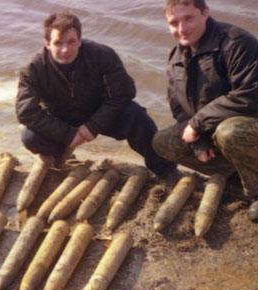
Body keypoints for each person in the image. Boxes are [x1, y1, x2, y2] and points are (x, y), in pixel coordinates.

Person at [152, 0, 258, 221]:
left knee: (230, 132)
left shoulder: (237, 42)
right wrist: (199, 140)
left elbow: (252, 98)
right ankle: (235, 175)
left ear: (205, 13)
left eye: (188, 18)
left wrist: (198, 123)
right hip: (220, 122)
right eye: (174, 22)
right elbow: (181, 107)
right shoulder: (176, 57)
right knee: (162, 141)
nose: (182, 28)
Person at [16, 12, 177, 179]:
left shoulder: (101, 55)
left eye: (71, 42)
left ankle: (166, 170)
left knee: (136, 115)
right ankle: (62, 153)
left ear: (79, 40)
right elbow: (26, 112)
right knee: (30, 137)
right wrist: (67, 134)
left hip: (99, 112)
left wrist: (94, 126)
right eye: (58, 43)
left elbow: (124, 93)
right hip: (61, 118)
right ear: (47, 44)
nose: (65, 50)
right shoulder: (34, 68)